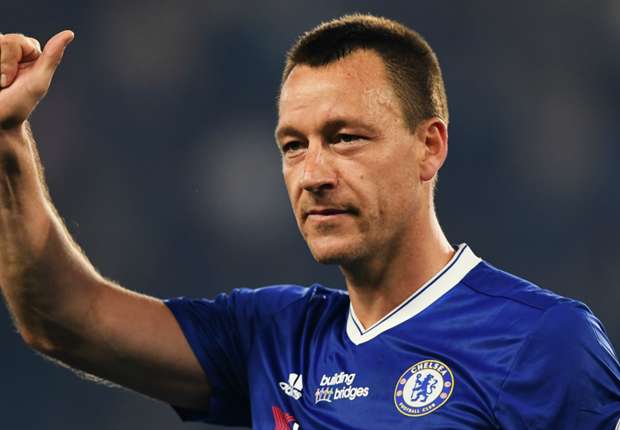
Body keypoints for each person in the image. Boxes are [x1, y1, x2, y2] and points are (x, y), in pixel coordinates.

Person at [0, 14, 619, 429]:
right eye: (293, 145)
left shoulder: (543, 342)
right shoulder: (272, 336)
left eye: (345, 137)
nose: (312, 174)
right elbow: (64, 318)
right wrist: (8, 138)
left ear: (429, 147)